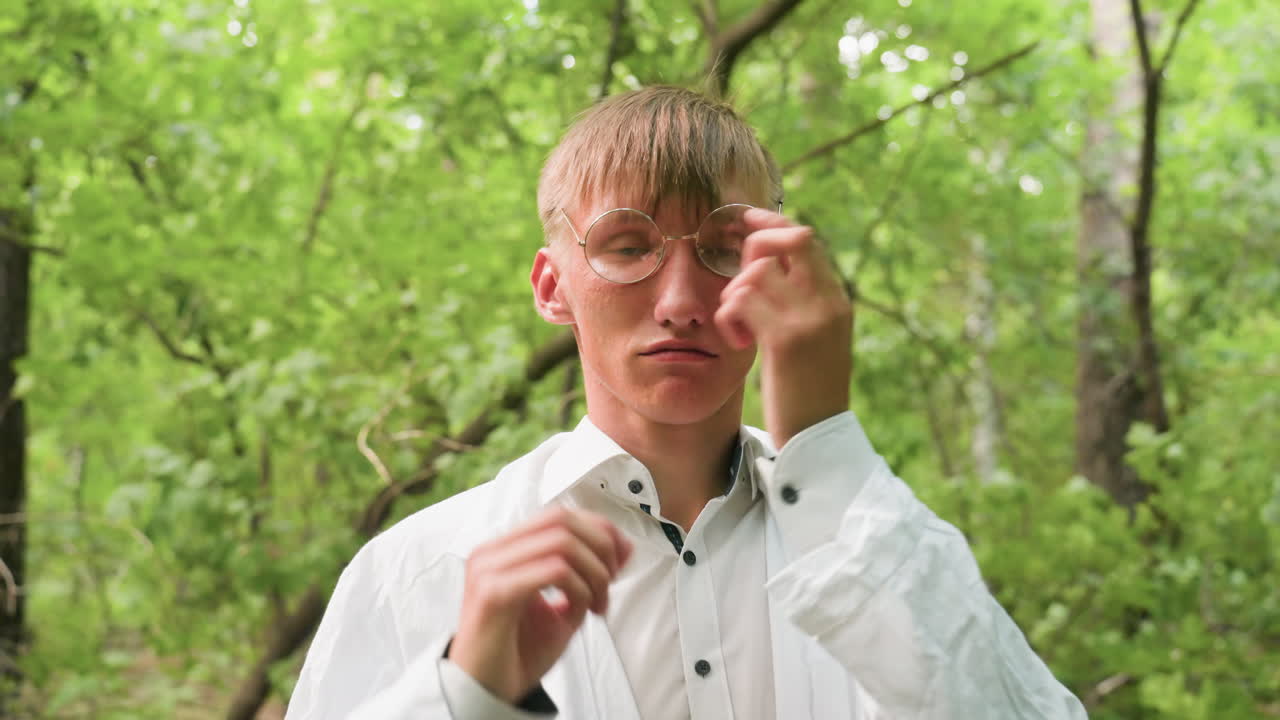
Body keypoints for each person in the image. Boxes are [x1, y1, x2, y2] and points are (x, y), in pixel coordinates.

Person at [284, 86, 1088, 720]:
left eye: (722, 249)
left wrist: (824, 441)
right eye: (628, 246)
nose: (679, 300)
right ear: (552, 286)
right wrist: (467, 700)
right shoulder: (417, 573)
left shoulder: (874, 543)